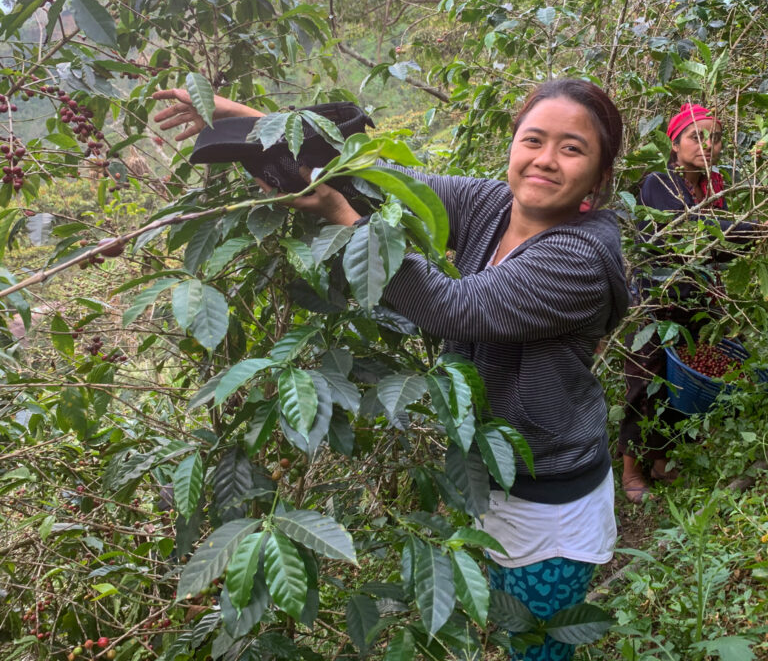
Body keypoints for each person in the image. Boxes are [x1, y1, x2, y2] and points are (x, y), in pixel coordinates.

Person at [153, 79, 630, 660]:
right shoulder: (493, 205)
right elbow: (388, 183)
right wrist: (253, 120)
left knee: (535, 646)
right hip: (487, 472)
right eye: (534, 140)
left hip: (549, 496)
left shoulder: (577, 259)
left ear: (600, 176)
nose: (546, 160)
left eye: (572, 148)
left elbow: (454, 307)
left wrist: (343, 218)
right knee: (500, 618)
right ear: (513, 146)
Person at [618, 103, 755, 503]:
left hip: (696, 304)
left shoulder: (714, 189)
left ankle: (661, 461)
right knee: (644, 384)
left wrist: (746, 237)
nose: (708, 145)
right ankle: (630, 469)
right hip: (654, 304)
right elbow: (690, 232)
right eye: (697, 136)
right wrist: (753, 229)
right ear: (675, 145)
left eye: (714, 137)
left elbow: (718, 248)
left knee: (679, 387)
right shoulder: (658, 182)